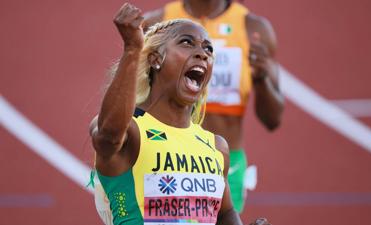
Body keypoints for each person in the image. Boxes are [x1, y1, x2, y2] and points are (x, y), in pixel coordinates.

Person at [90, 3, 271, 225]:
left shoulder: (216, 147)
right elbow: (108, 136)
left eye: (208, 49)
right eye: (187, 42)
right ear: (156, 59)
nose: (203, 54)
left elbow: (225, 215)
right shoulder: (131, 131)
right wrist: (132, 50)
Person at [143, 0, 284, 213]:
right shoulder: (158, 23)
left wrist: (261, 79)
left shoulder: (253, 29)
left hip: (225, 163)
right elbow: (137, 92)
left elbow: (273, 120)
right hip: (165, 156)